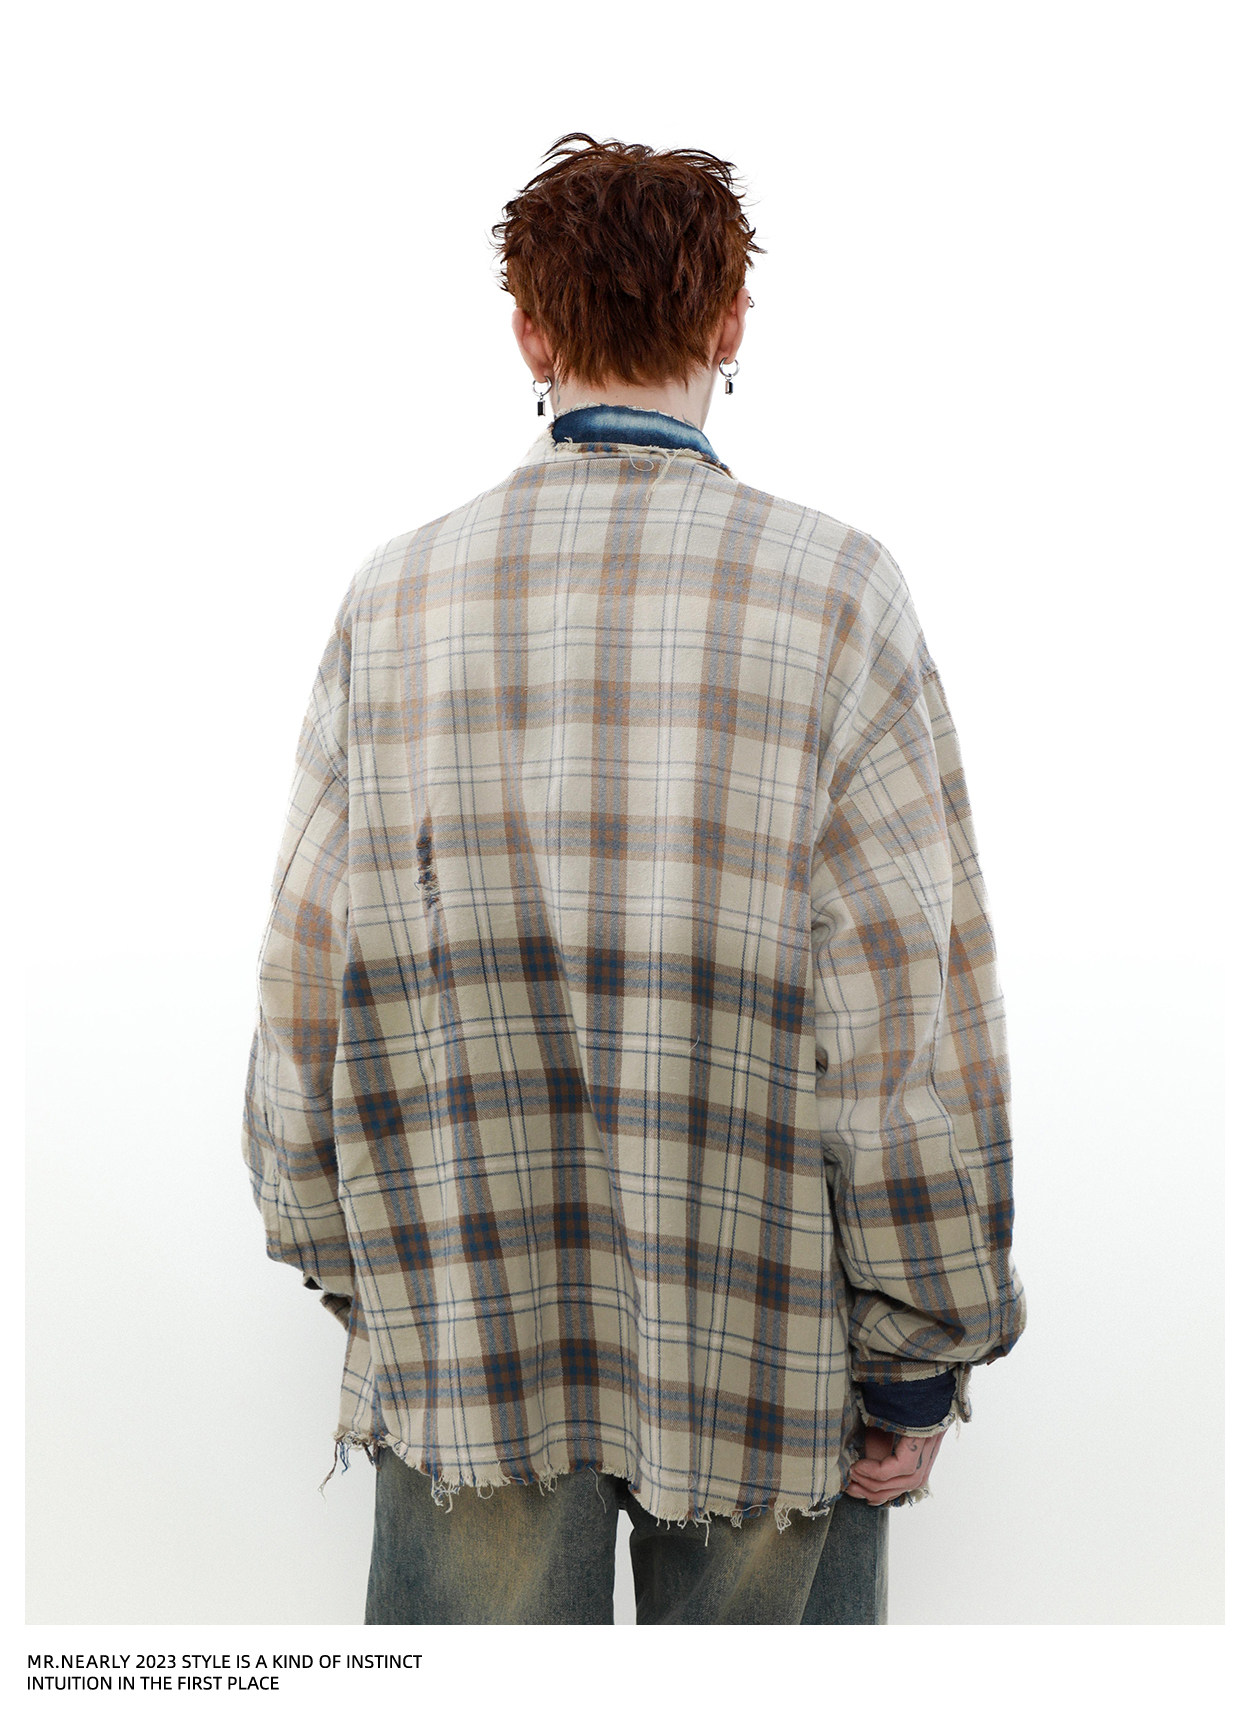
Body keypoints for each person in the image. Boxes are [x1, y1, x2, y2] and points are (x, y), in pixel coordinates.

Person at [241, 132, 1026, 1626]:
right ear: (730, 322)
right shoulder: (836, 593)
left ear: (527, 332)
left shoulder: (394, 597)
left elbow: (303, 974)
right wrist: (921, 1344)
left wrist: (340, 1249)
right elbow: (902, 1017)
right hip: (762, 1331)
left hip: (465, 1324)